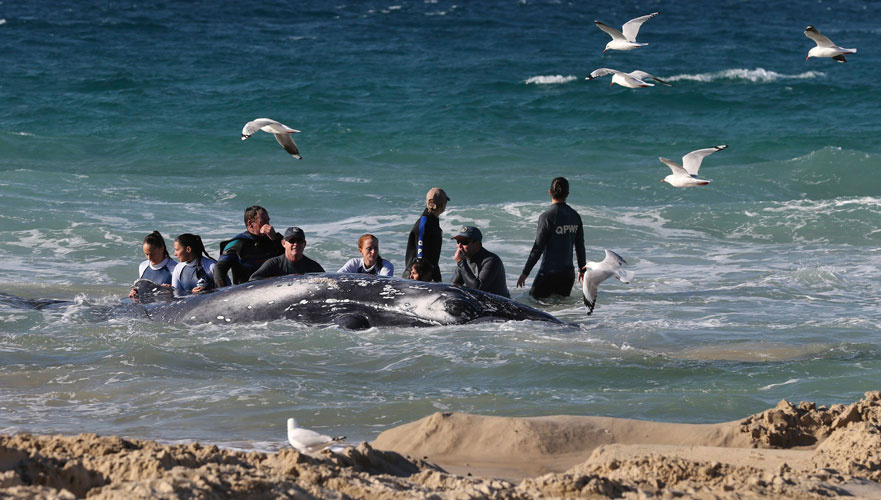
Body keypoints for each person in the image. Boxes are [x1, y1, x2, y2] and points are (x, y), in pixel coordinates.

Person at [516, 177, 586, 299]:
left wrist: (525, 273)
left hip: (548, 274)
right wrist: (582, 269)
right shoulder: (575, 216)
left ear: (550, 192)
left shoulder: (546, 217)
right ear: (567, 194)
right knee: (562, 310)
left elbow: (537, 248)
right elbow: (580, 246)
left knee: (534, 306)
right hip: (567, 275)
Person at [214, 206, 284, 287]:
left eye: (268, 221)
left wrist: (275, 240)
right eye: (263, 222)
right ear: (250, 224)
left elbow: (289, 259)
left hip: (273, 287)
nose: (268, 225)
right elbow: (219, 269)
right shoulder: (237, 243)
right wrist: (223, 291)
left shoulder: (275, 239)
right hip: (246, 290)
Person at [402, 187, 449, 282]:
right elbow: (420, 257)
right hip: (417, 276)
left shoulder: (432, 221)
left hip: (427, 273)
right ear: (443, 205)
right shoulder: (424, 223)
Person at [450, 225, 510, 298]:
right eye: (458, 241)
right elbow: (454, 286)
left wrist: (460, 263)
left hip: (500, 306)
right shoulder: (464, 259)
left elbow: (477, 289)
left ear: (477, 244)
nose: (459, 246)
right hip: (481, 304)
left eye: (464, 242)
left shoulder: (491, 260)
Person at [249, 227, 324, 280]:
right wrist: (281, 280)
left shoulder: (313, 267)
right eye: (292, 241)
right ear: (283, 243)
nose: (296, 244)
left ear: (304, 244)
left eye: (299, 241)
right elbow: (253, 280)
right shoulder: (273, 264)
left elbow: (326, 281)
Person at [128, 231, 177, 299]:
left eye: (152, 254)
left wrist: (171, 290)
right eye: (146, 254)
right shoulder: (143, 266)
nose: (149, 258)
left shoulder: (174, 268)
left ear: (162, 249)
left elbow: (183, 294)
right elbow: (142, 288)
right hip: (147, 307)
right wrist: (135, 291)